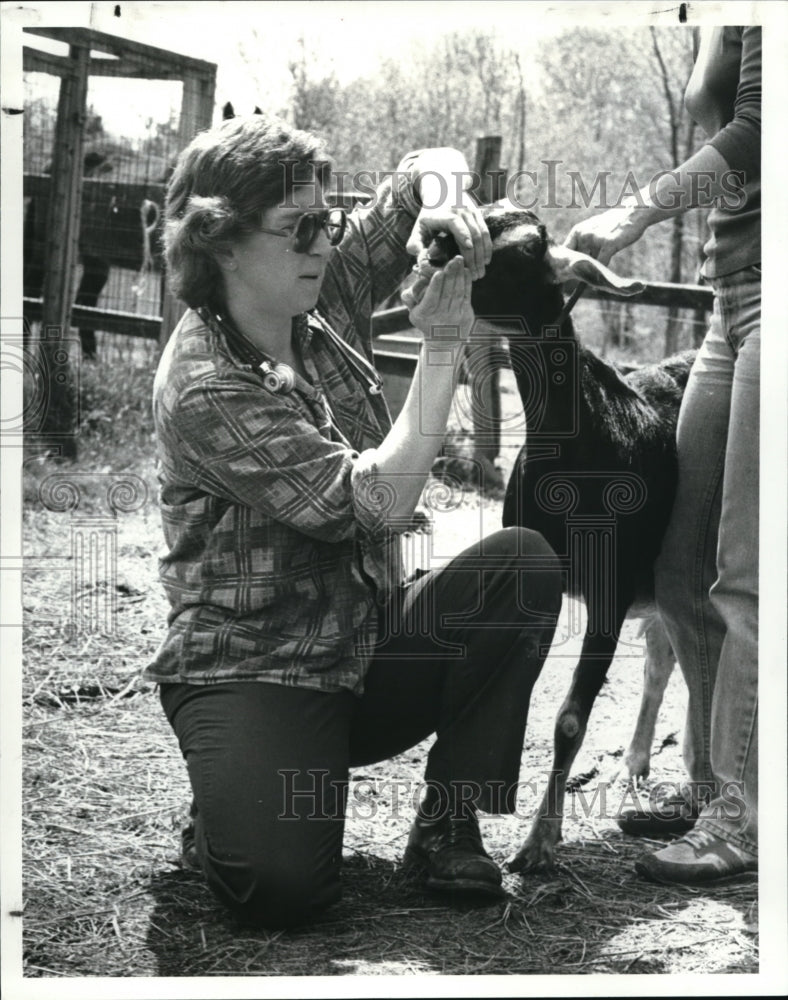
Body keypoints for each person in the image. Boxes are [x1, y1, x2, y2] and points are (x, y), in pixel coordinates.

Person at [145, 113, 563, 929]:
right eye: (299, 227)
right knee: (281, 894)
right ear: (221, 241)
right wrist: (443, 345)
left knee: (523, 563)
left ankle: (449, 816)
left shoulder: (317, 288)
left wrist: (448, 207)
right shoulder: (203, 385)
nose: (324, 242)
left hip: (363, 644)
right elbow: (377, 500)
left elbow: (424, 164)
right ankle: (236, 797)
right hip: (256, 667)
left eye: (326, 220)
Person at [565, 25, 760, 883]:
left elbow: (760, 133)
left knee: (747, 574)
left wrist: (639, 208)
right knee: (683, 569)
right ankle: (714, 784)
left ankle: (749, 817)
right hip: (731, 300)